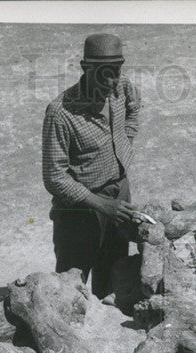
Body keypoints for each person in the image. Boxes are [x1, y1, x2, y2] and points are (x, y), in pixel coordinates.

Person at [41, 33, 141, 298]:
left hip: (118, 197)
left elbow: (134, 109)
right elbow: (54, 176)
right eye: (102, 74)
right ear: (85, 69)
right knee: (72, 286)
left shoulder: (122, 88)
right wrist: (99, 204)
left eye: (116, 72)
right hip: (79, 213)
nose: (111, 82)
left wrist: (124, 141)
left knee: (113, 274)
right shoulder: (61, 113)